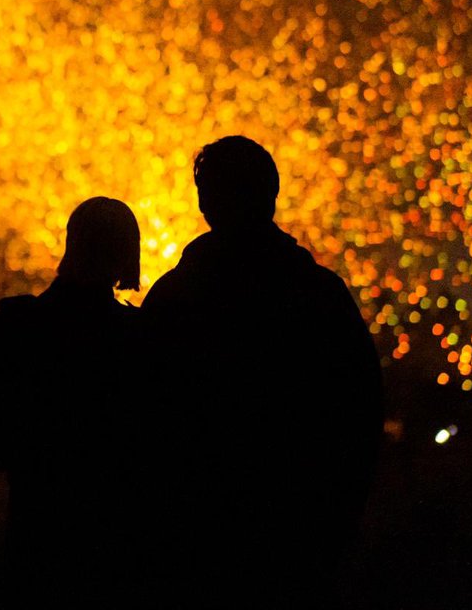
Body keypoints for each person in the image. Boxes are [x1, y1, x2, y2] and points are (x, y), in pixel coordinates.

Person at [142, 135, 383, 606]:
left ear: (205, 203)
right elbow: (361, 413)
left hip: (195, 542)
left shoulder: (174, 299)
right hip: (301, 536)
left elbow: (142, 420)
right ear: (271, 195)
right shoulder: (321, 296)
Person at [0, 196, 144, 607]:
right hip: (114, 537)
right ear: (125, 255)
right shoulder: (135, 337)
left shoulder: (15, 326)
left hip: (36, 529)